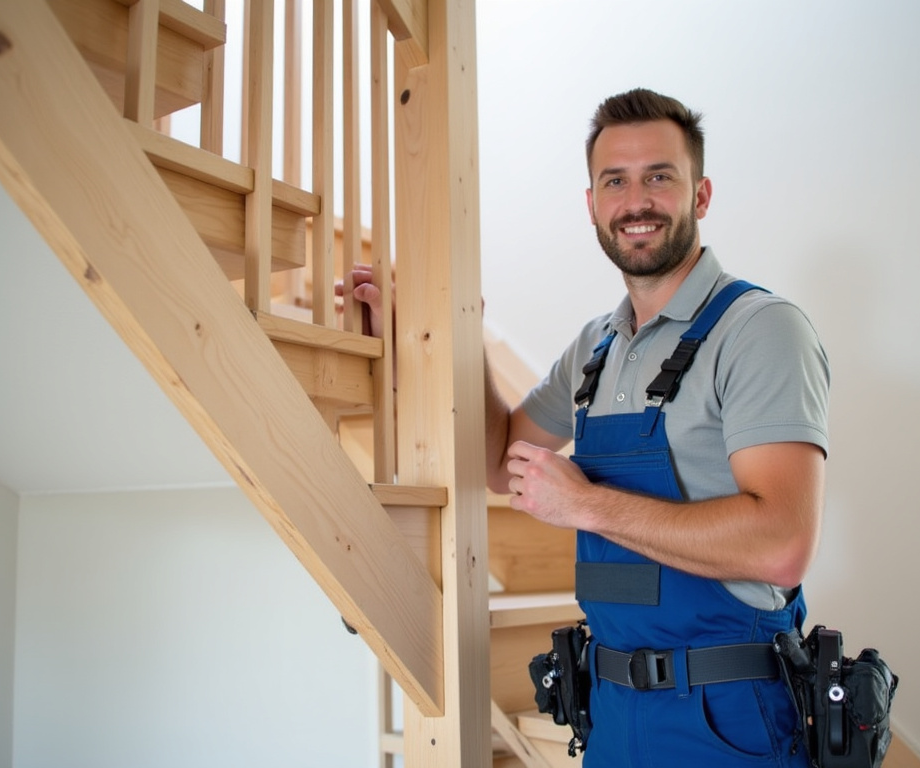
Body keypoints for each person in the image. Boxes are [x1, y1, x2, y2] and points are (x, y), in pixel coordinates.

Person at [347, 88, 829, 768]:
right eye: (615, 181)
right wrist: (455, 338)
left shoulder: (759, 330)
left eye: (660, 176)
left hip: (726, 720)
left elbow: (781, 544)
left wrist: (586, 505)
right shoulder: (595, 348)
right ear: (593, 204)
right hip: (611, 717)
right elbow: (499, 462)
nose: (637, 201)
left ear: (701, 193)